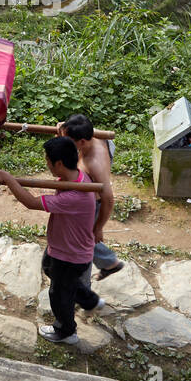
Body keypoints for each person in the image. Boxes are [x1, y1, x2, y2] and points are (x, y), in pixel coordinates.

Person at [0, 137, 104, 345]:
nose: (46, 163)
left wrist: (7, 177)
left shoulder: (75, 195)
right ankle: (90, 300)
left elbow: (31, 202)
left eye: (47, 160)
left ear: (58, 163)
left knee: (58, 295)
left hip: (71, 256)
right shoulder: (76, 177)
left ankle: (66, 331)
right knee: (49, 269)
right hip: (61, 247)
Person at [59, 114, 124, 281]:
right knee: (83, 237)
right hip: (85, 197)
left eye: (68, 140)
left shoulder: (94, 163)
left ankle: (83, 288)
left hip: (91, 205)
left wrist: (99, 227)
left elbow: (108, 199)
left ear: (81, 142)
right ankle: (109, 263)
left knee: (81, 244)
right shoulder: (92, 136)